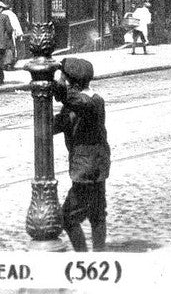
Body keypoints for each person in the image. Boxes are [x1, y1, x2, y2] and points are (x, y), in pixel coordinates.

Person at [52, 58, 110, 253]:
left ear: (71, 81)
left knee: (68, 217)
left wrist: (55, 87)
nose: (61, 80)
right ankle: (97, 256)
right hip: (91, 167)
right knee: (97, 214)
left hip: (88, 169)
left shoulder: (93, 101)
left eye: (63, 77)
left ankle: (84, 258)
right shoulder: (75, 104)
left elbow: (74, 100)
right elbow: (57, 124)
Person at [3, 5, 25, 69]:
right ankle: (9, 63)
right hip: (10, 34)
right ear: (10, 8)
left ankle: (4, 63)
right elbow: (16, 24)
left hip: (2, 35)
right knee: (11, 48)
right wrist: (20, 34)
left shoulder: (2, 14)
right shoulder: (12, 14)